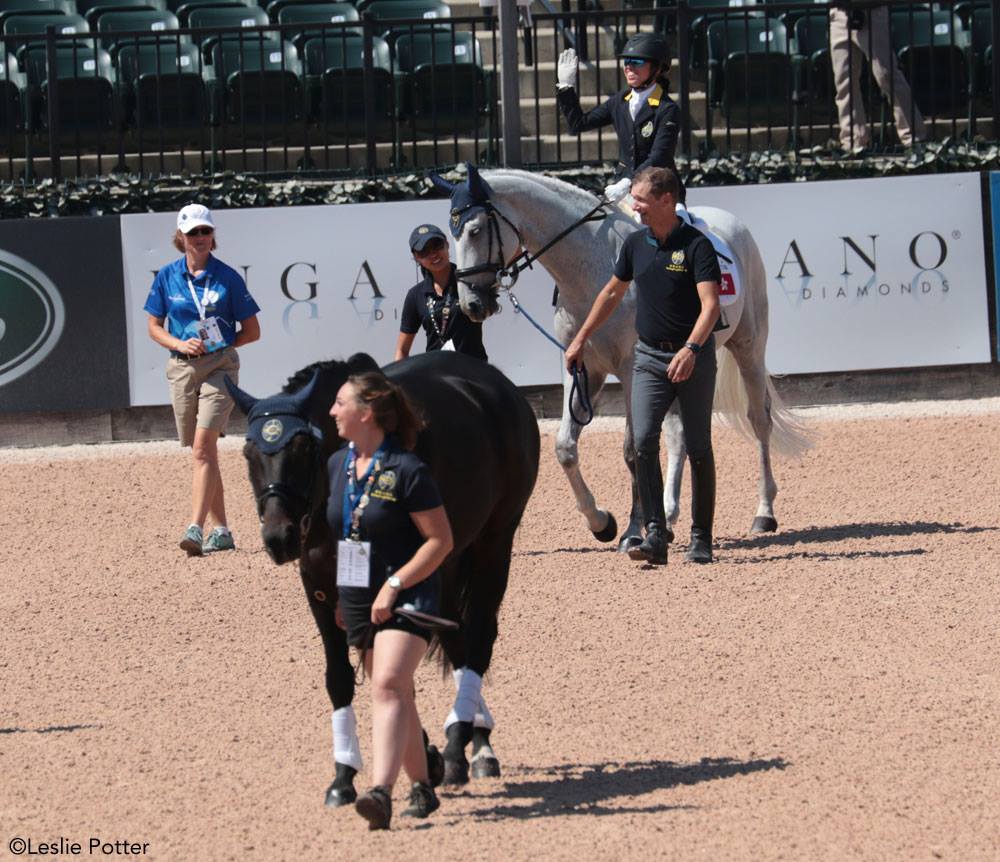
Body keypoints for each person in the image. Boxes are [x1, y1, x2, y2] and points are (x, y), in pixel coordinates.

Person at [564, 167, 721, 566]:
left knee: (698, 446)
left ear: (667, 200)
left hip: (694, 359)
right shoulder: (635, 244)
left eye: (641, 200)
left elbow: (711, 306)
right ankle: (654, 532)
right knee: (641, 442)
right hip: (649, 357)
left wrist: (690, 349)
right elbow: (611, 293)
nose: (634, 207)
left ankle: (701, 536)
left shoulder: (697, 246)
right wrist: (581, 337)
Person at [327, 372, 454, 830]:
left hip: (409, 594)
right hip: (360, 596)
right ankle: (422, 784)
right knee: (398, 691)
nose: (332, 411)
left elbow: (440, 541)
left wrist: (395, 583)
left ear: (366, 413)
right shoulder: (338, 464)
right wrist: (346, 597)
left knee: (386, 685)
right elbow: (349, 535)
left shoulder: (407, 469)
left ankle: (380, 791)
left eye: (340, 403)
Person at [144, 204, 261, 556]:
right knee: (203, 452)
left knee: (201, 448)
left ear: (213, 235)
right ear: (180, 237)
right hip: (182, 368)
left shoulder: (228, 277)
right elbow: (153, 327)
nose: (200, 238)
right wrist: (180, 344)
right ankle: (222, 530)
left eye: (205, 231)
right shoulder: (166, 276)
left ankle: (194, 528)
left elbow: (252, 331)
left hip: (220, 368)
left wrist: (222, 345)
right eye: (193, 232)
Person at [556, 32, 681, 204]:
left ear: (658, 68)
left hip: (658, 192)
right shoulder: (619, 101)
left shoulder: (668, 109)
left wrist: (629, 181)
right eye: (626, 62)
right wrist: (566, 87)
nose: (629, 67)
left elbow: (660, 156)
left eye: (636, 62)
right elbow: (579, 123)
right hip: (621, 189)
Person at [829, 2, 927, 152]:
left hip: (871, 11)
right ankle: (853, 141)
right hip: (839, 13)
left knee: (886, 75)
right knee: (844, 81)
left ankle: (914, 137)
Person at [394, 224, 488, 362]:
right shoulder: (415, 295)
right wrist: (396, 382)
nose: (433, 254)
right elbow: (402, 350)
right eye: (424, 251)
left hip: (474, 371)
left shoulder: (470, 281)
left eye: (437, 245)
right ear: (416, 257)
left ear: (447, 244)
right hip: (436, 375)